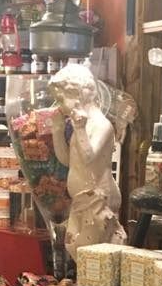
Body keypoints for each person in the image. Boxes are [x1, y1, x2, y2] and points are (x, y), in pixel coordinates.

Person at [49, 63, 126, 260]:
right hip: (81, 199)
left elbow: (88, 157)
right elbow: (68, 161)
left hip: (98, 198)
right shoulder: (80, 125)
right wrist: (58, 132)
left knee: (94, 258)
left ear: (78, 95)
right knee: (81, 253)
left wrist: (80, 129)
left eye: (60, 99)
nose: (59, 105)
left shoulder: (101, 125)